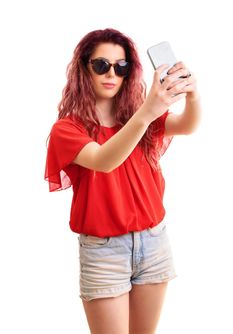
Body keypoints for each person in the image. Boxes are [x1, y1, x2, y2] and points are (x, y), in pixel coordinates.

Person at [44, 28, 201, 334]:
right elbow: (103, 160)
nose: (112, 73)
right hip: (104, 252)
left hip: (153, 241)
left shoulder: (139, 115)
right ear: (84, 68)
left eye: (121, 66)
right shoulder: (67, 129)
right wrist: (146, 112)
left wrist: (193, 95)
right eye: (101, 65)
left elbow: (188, 125)